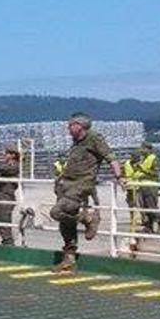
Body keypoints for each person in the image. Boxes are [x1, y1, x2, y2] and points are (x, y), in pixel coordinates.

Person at [50, 113, 114, 273]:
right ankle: (69, 259)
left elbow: (111, 158)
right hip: (66, 185)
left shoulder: (94, 138)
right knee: (65, 224)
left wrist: (119, 176)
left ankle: (88, 218)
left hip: (81, 185)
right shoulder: (75, 142)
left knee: (56, 212)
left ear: (79, 125)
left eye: (70, 125)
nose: (68, 128)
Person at [131, 142, 160, 233]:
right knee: (144, 207)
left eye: (143, 148)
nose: (141, 150)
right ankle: (148, 226)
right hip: (142, 185)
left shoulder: (154, 159)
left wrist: (143, 170)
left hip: (151, 185)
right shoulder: (143, 159)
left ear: (148, 149)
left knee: (152, 206)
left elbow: (156, 173)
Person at [0, 147, 20, 245]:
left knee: (4, 219)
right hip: (0, 195)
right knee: (0, 219)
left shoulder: (14, 166)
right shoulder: (7, 164)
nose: (4, 155)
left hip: (6, 196)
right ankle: (6, 240)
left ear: (13, 155)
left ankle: (8, 241)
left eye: (7, 153)